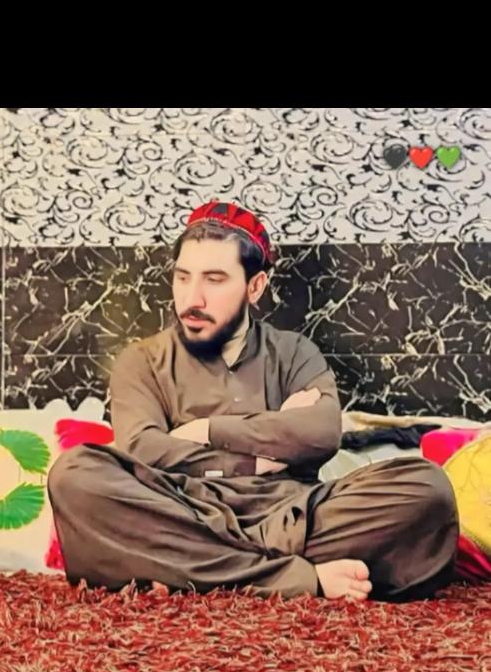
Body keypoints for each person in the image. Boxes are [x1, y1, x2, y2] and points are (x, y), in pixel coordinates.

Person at [48, 200, 459, 602]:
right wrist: (257, 458)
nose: (192, 298)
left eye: (214, 279)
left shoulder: (294, 353)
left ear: (256, 286)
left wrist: (206, 430)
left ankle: (207, 567)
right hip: (181, 510)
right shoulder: (142, 361)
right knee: (75, 475)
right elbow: (144, 449)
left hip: (289, 516)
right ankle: (295, 577)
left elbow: (320, 433)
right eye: (183, 277)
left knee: (427, 488)